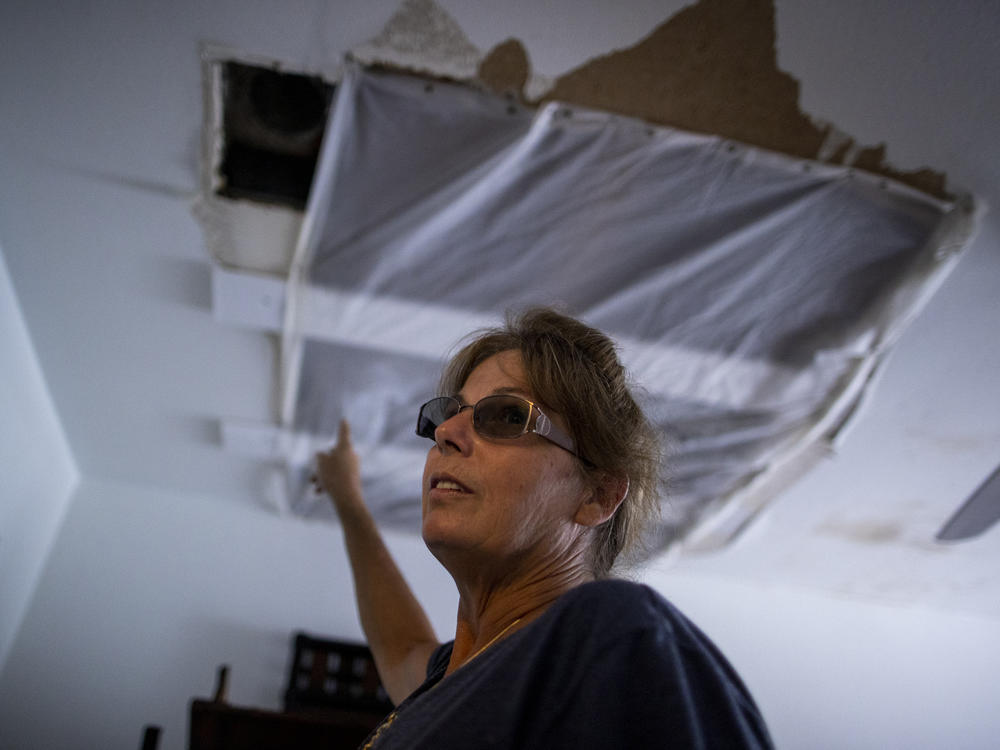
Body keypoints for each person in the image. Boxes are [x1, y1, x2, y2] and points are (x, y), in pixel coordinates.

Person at [314, 307, 772, 749]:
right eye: (451, 413)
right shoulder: (459, 675)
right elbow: (401, 648)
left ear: (598, 496)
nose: (445, 432)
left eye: (509, 416)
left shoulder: (613, 634)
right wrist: (348, 499)